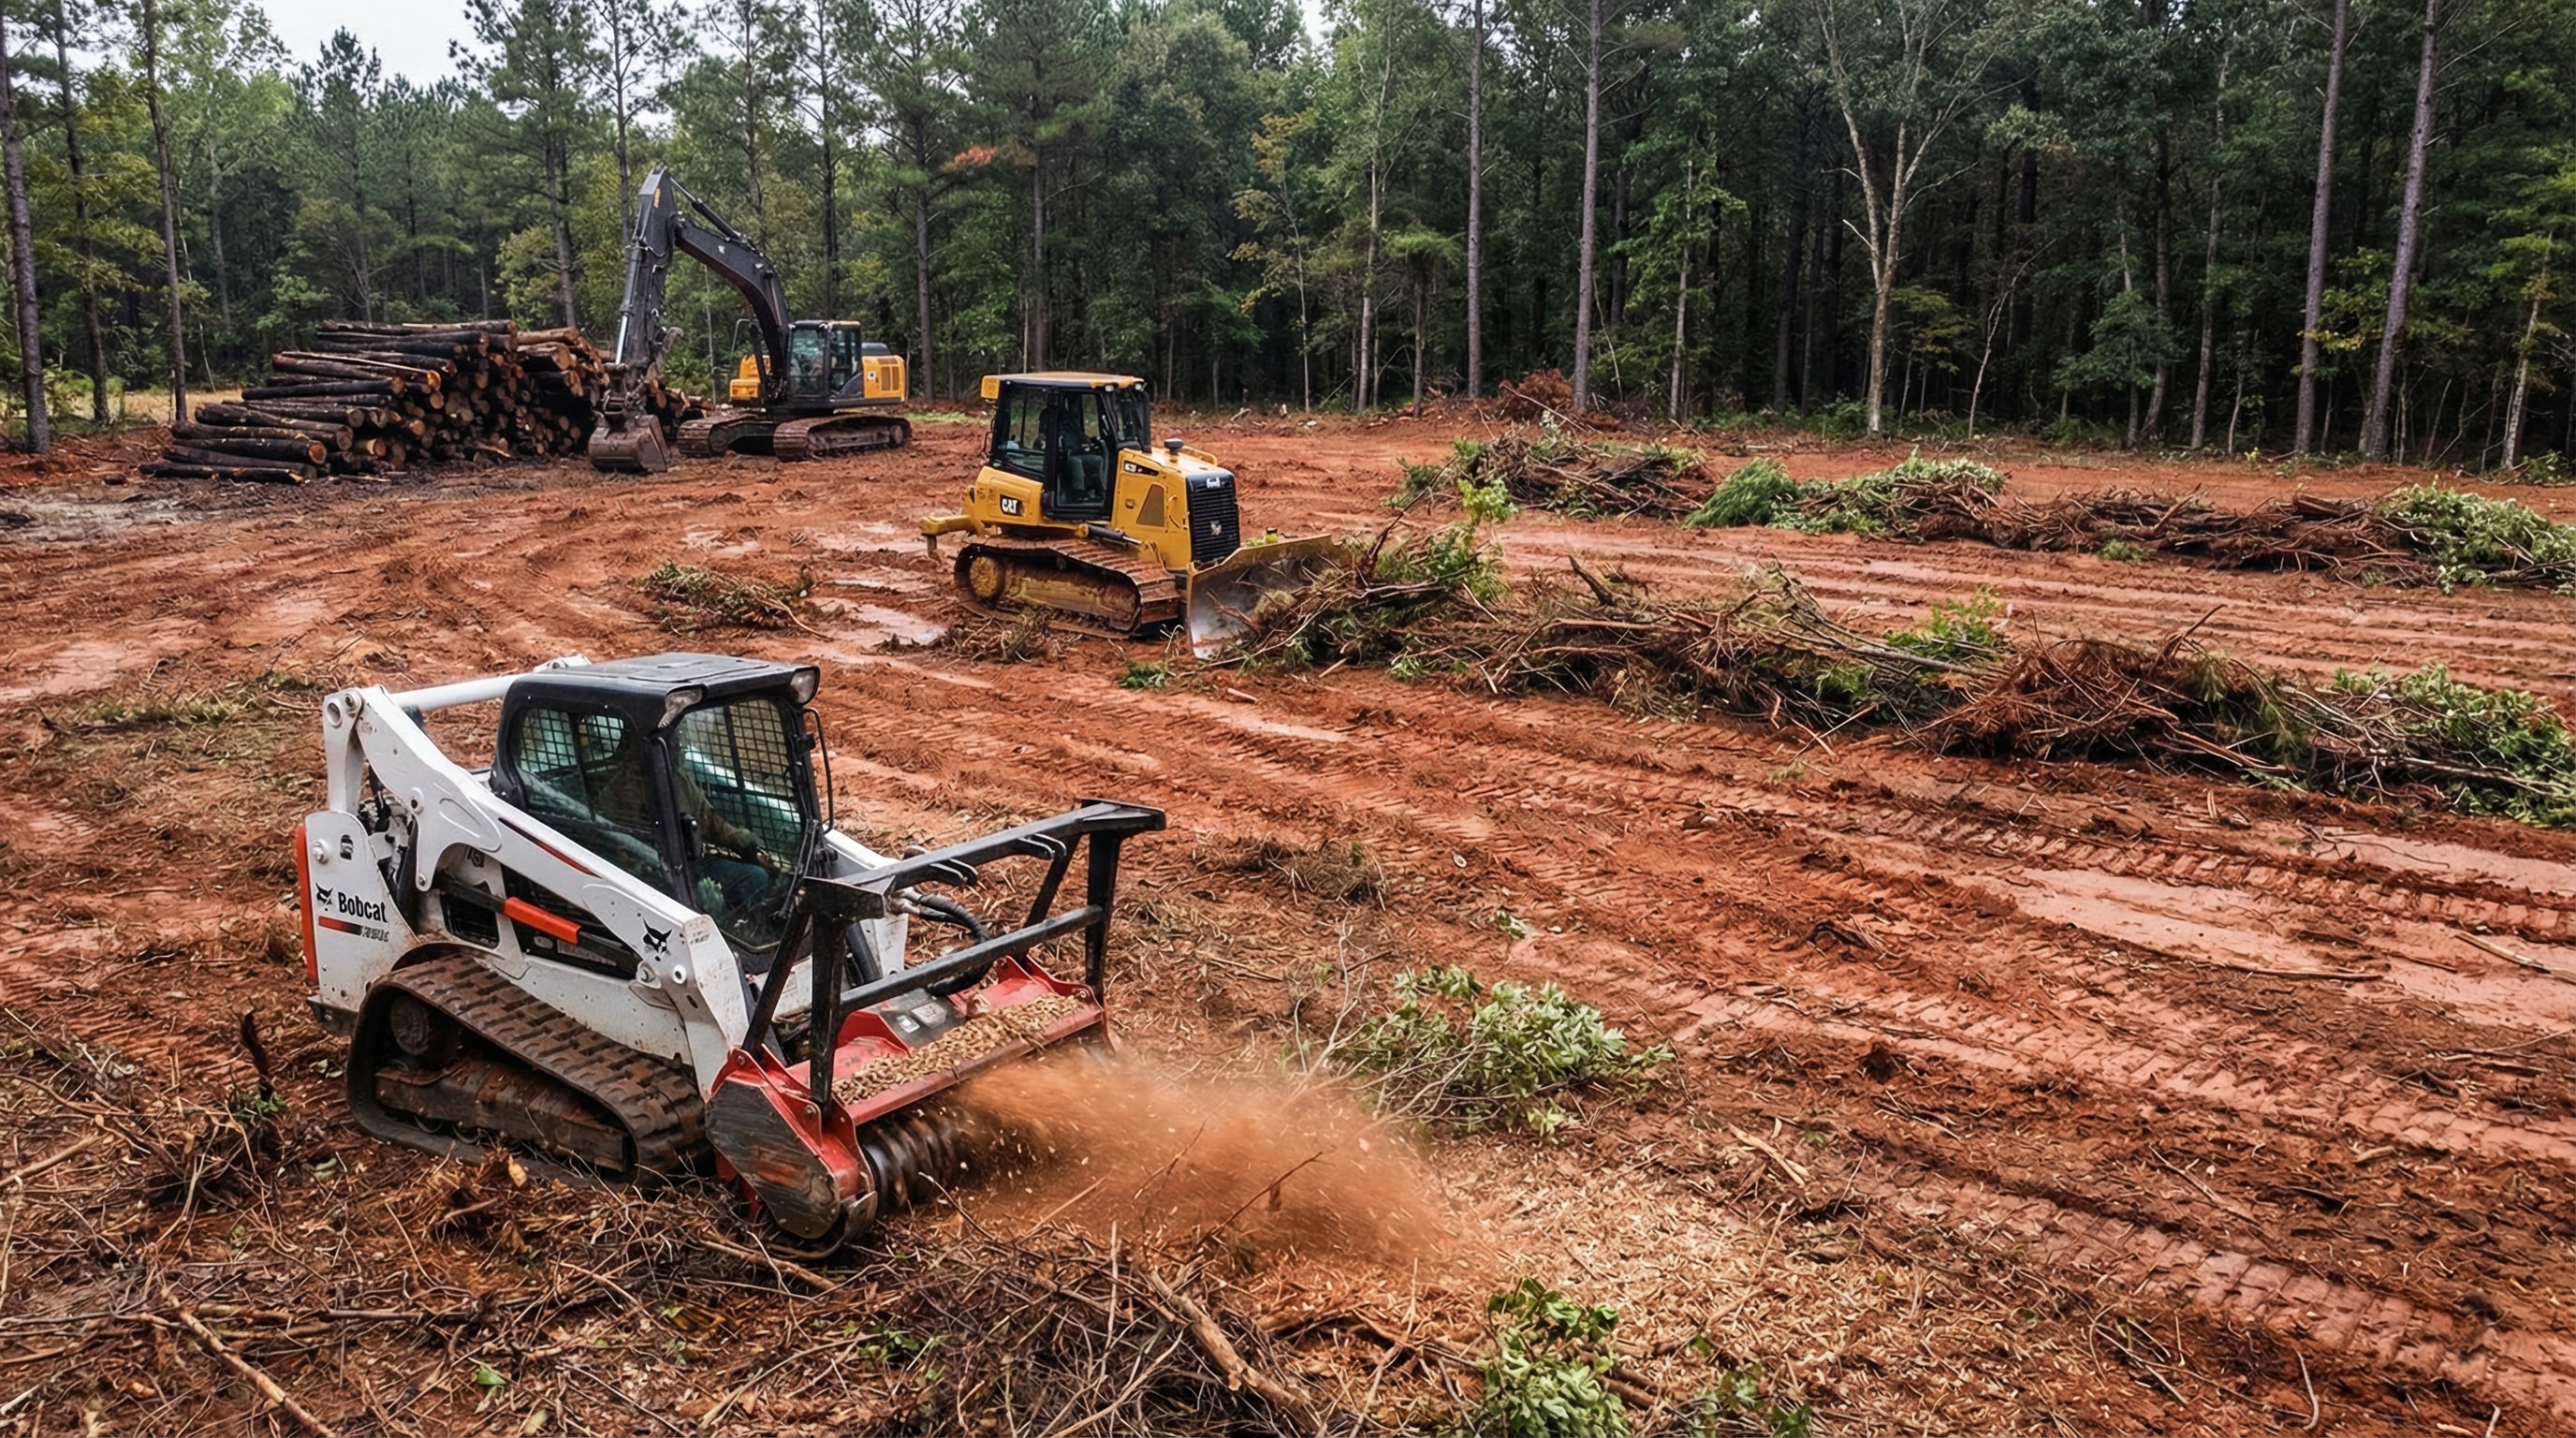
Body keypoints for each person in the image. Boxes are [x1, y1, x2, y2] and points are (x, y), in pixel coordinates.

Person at [581, 718, 774, 918]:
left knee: (755, 876)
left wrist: (738, 838)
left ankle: (740, 925)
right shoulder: (620, 787)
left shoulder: (680, 780)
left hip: (692, 864)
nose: (675, 749)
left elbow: (710, 821)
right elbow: (598, 835)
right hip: (649, 869)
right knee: (696, 899)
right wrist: (623, 856)